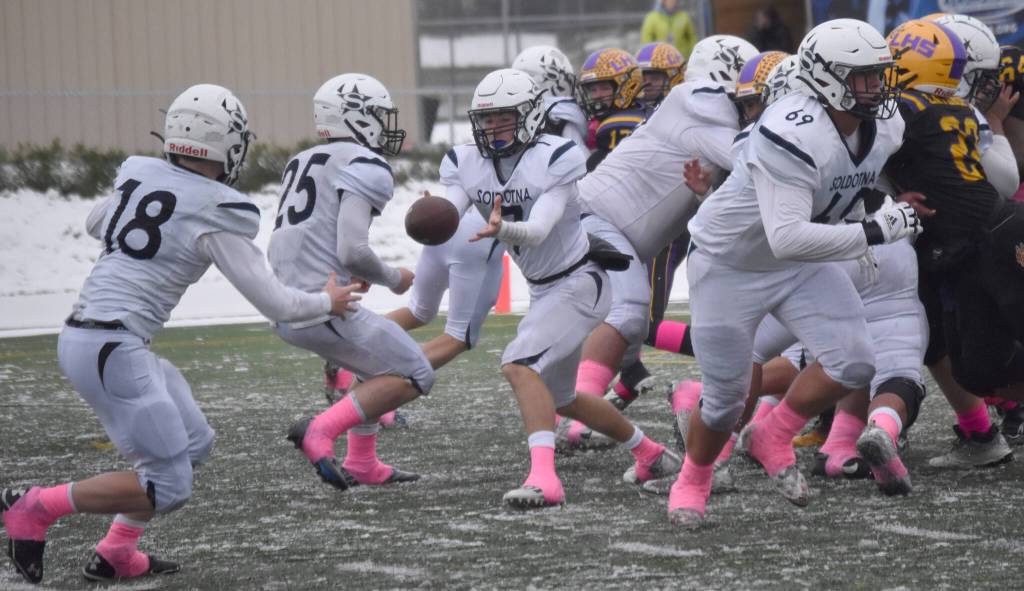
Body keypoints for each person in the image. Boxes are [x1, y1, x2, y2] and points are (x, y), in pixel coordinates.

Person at [1, 84, 361, 584]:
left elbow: (94, 222)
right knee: (168, 486)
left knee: (193, 443)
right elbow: (276, 303)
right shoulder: (217, 207)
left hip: (102, 339)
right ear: (229, 145)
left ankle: (116, 553)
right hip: (111, 346)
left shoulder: (139, 174)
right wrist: (330, 300)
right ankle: (35, 506)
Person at [669, 18, 919, 528]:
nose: (877, 87)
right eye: (863, 76)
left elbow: (857, 175)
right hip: (729, 264)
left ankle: (772, 433)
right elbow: (787, 235)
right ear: (825, 78)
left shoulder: (885, 121)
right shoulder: (791, 131)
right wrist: (874, 231)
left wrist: (885, 207)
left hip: (801, 264)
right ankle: (692, 477)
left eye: (879, 74)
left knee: (855, 363)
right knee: (723, 401)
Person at [436, 68, 680, 508]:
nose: (492, 129)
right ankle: (651, 454)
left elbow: (540, 229)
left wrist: (501, 228)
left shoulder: (555, 156)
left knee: (518, 364)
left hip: (580, 280)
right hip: (546, 289)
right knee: (564, 397)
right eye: (486, 120)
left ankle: (544, 479)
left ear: (530, 116)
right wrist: (430, 217)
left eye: (504, 118)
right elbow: (447, 213)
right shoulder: (465, 161)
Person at [566, 35, 757, 442]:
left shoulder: (703, 111)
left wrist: (708, 191)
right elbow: (760, 161)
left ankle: (609, 389)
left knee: (628, 326)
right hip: (601, 219)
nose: (758, 97)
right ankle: (579, 412)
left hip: (611, 225)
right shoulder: (702, 102)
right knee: (632, 311)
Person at [277, 74, 433, 492]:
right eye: (379, 116)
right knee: (417, 372)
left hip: (289, 300)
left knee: (375, 365)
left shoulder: (302, 160)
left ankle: (363, 463)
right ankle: (321, 430)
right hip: (322, 305)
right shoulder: (364, 163)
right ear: (357, 116)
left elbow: (309, 236)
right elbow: (351, 249)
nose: (385, 125)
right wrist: (394, 277)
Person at [576, 47, 647, 171]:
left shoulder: (618, 125)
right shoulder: (643, 111)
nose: (597, 95)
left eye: (604, 88)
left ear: (628, 87)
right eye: (593, 90)